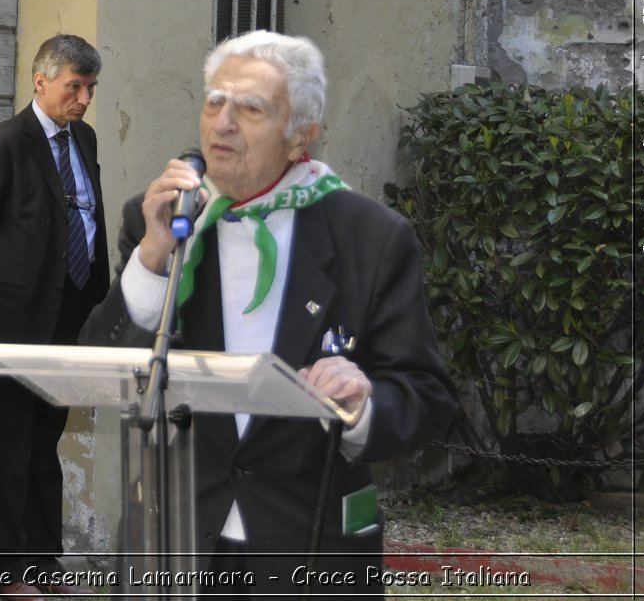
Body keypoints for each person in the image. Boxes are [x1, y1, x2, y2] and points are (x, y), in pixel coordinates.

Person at [80, 30, 458, 595]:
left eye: (251, 108)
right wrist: (153, 258)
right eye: (215, 101)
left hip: (308, 543)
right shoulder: (159, 219)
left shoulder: (369, 237)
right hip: (174, 541)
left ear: (300, 136)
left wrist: (363, 405)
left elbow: (426, 398)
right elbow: (102, 369)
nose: (223, 123)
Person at [0, 34, 109, 597]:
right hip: (13, 321)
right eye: (75, 86)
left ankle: (46, 564)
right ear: (41, 81)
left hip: (68, 313)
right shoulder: (5, 143)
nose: (84, 98)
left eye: (91, 88)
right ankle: (6, 570)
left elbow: (87, 211)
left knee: (46, 440)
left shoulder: (86, 139)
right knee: (8, 445)